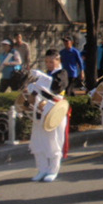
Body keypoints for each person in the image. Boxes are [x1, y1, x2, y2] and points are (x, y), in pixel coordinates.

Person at [28, 50, 69, 182]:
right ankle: (42, 168)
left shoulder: (62, 73)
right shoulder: (46, 75)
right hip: (41, 108)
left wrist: (42, 78)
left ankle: (53, 169)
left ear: (58, 61)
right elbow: (38, 91)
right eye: (46, 62)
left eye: (51, 61)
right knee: (39, 139)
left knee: (54, 140)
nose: (49, 64)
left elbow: (56, 88)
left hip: (55, 109)